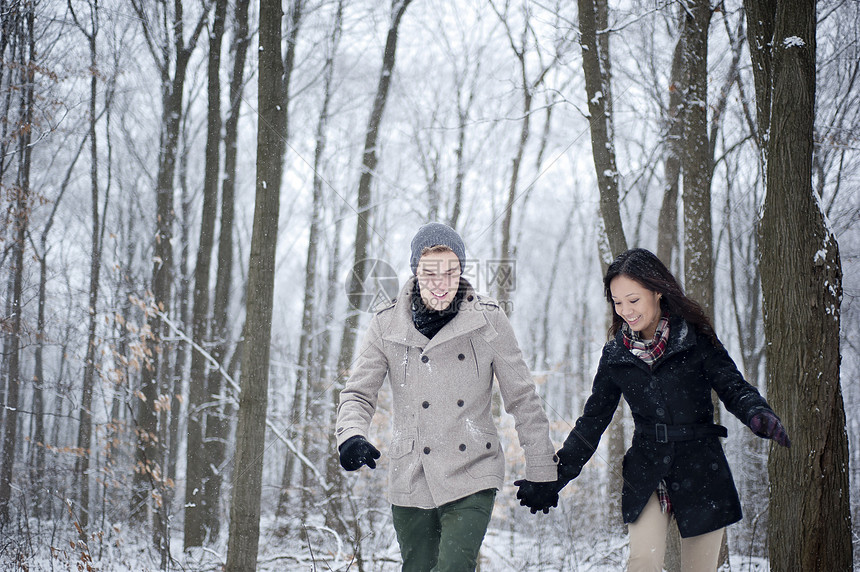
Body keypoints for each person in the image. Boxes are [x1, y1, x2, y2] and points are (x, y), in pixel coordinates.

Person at [515, 248, 791, 572]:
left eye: (634, 300)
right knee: (642, 562)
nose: (626, 311)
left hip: (701, 469)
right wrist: (552, 477)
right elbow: (592, 422)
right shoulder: (616, 354)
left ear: (657, 290)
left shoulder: (695, 338)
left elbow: (734, 386)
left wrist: (757, 413)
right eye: (618, 302)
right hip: (648, 469)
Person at [335, 222, 558, 571]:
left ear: (461, 271)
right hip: (411, 473)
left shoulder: (489, 321)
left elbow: (523, 398)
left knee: (454, 566)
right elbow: (359, 393)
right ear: (415, 271)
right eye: (429, 272)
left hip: (473, 468)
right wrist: (350, 434)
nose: (440, 283)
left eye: (450, 271)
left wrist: (542, 468)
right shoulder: (385, 324)